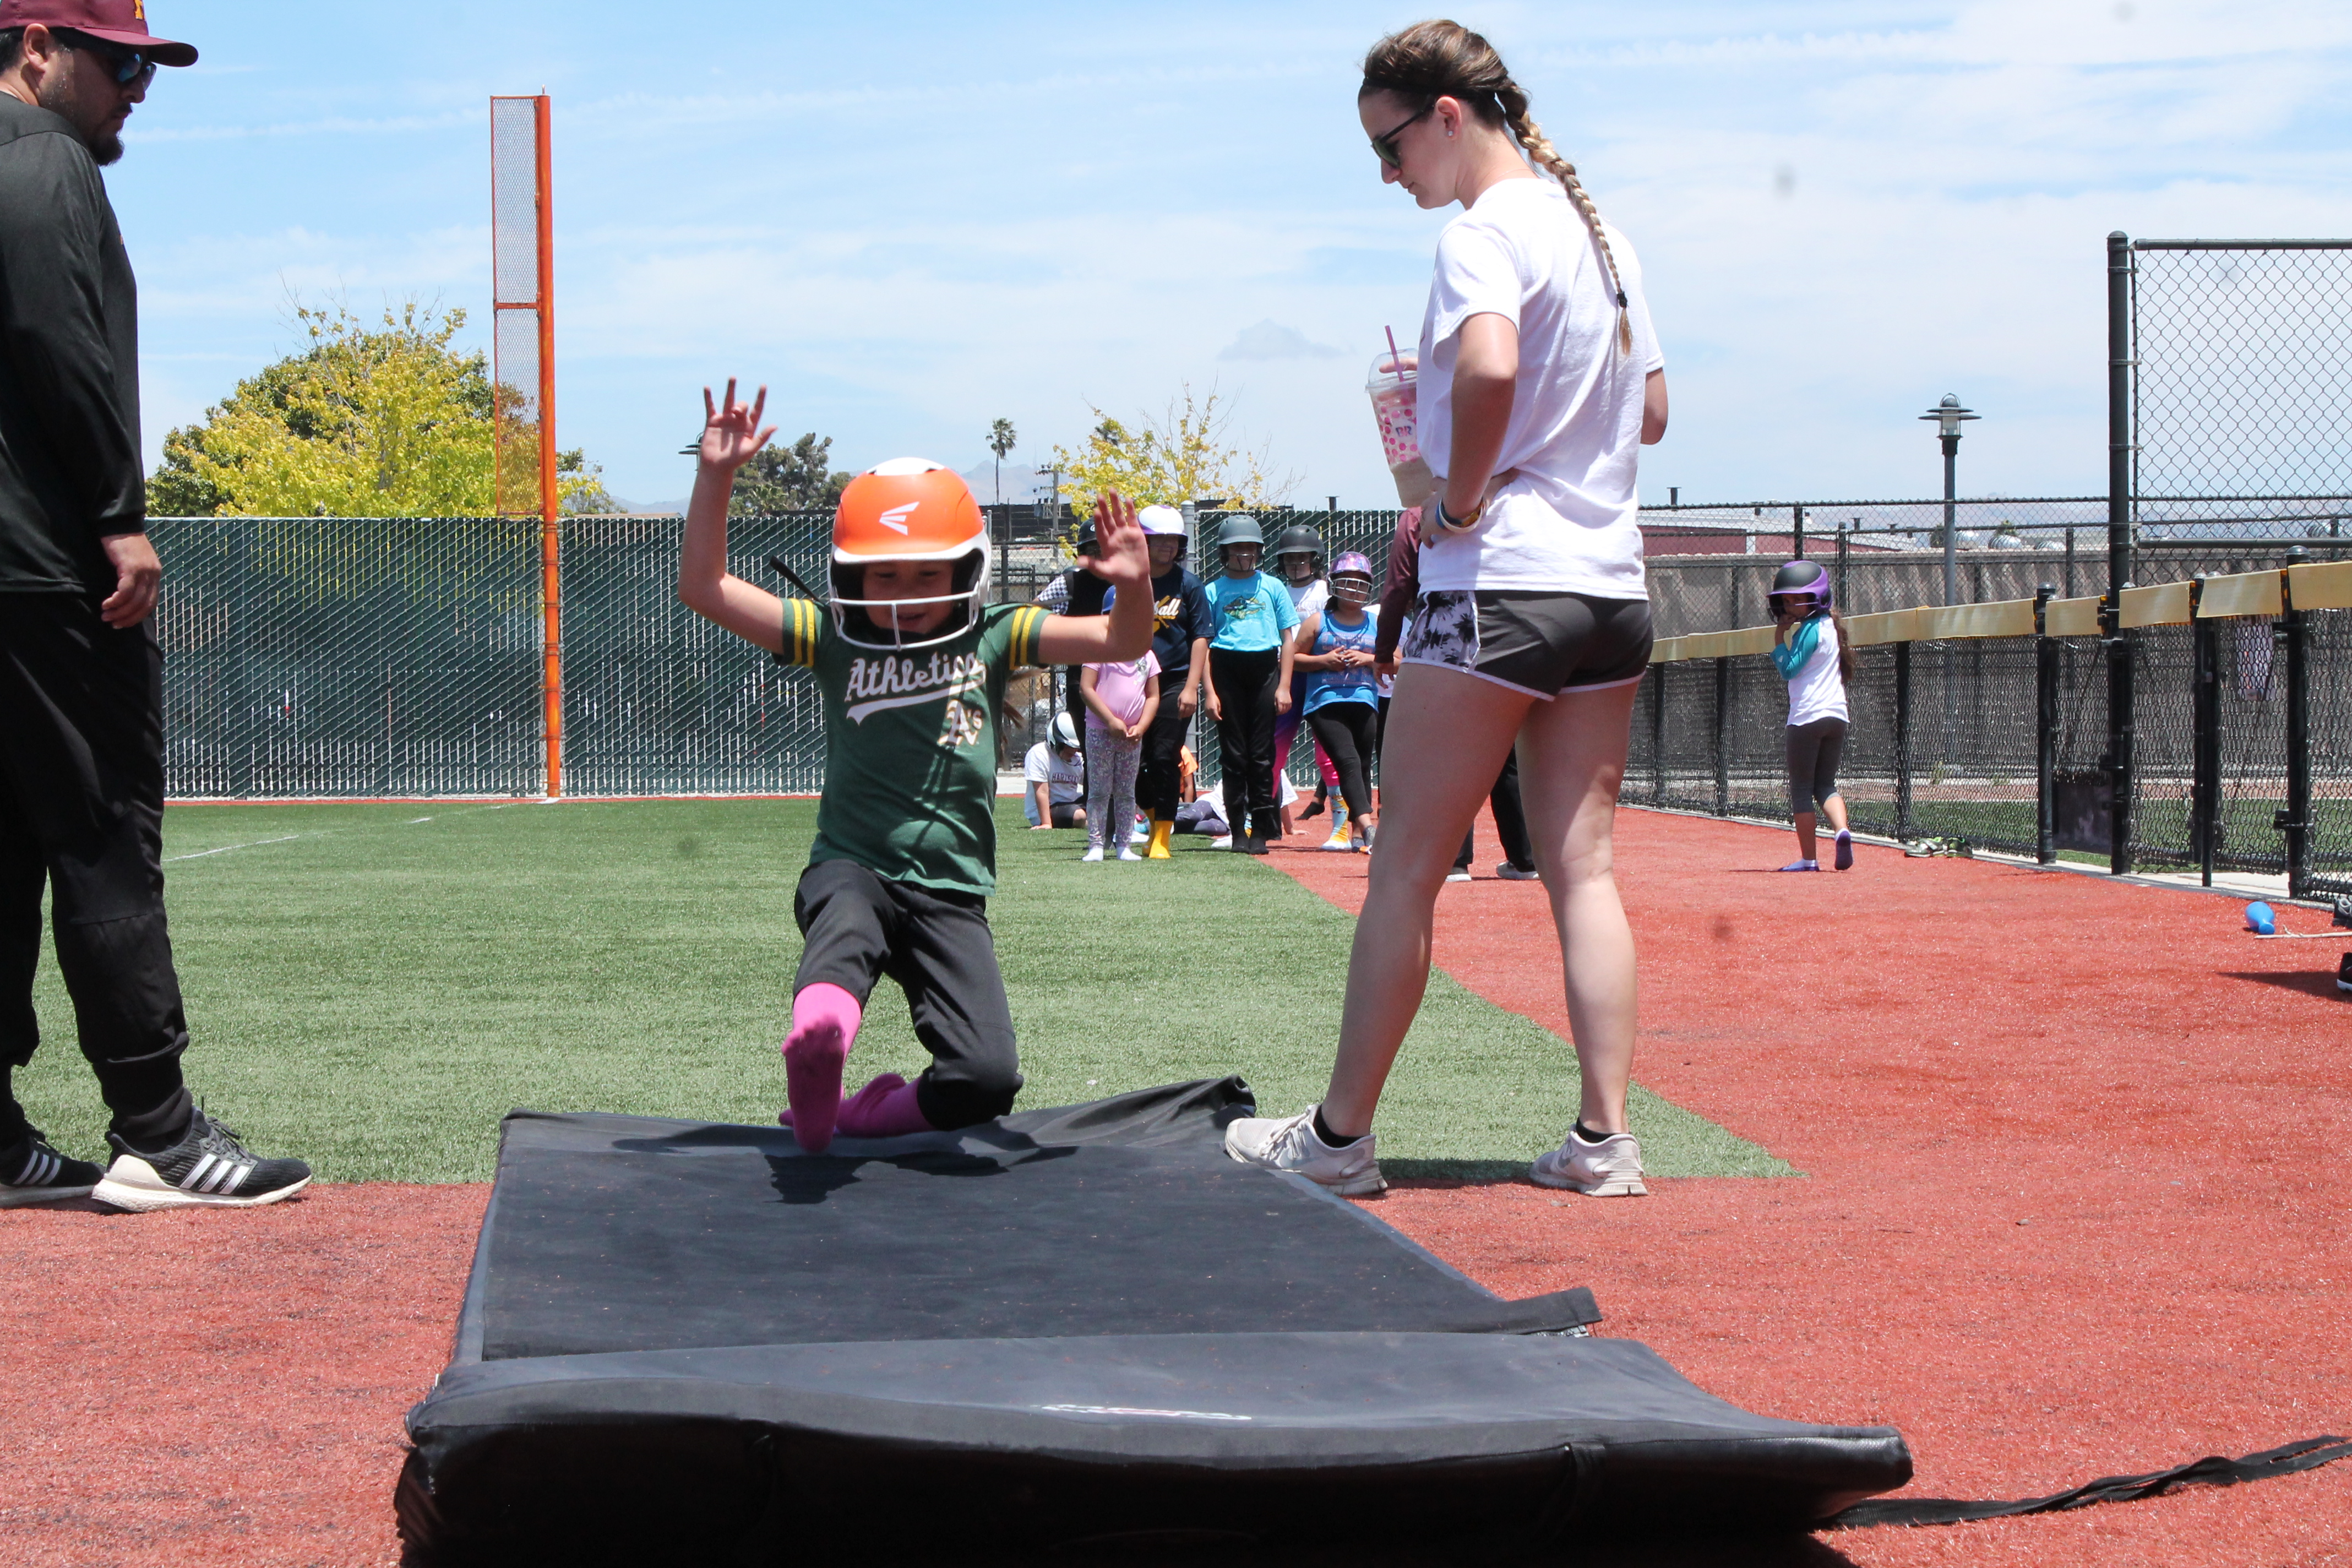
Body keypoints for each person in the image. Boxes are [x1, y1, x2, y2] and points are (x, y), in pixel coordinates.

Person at [1227, 20, 1668, 1198]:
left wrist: (1457, 504)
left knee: (1406, 869)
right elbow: (1655, 411)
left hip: (1503, 583)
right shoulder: (1604, 235)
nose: (1387, 174)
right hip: (1611, 583)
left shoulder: (1484, 233)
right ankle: (1605, 1141)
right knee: (1584, 867)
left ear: (1449, 117)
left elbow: (1484, 369)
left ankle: (1334, 1144)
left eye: (1389, 145)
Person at [0, 6, 313, 1212]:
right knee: (102, 827)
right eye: (119, 60)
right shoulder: (42, 160)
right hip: (42, 566)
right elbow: (60, 340)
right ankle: (160, 1130)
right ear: (36, 47)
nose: (140, 87)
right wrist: (117, 513)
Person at [676, 382, 1152, 1153]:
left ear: (967, 568)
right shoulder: (833, 636)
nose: (907, 595)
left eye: (927, 574)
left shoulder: (997, 635)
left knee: (986, 1079)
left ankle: (859, 1115)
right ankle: (822, 1039)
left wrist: (1135, 584)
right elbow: (705, 588)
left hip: (951, 893)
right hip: (854, 866)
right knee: (844, 935)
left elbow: (1119, 643)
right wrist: (717, 475)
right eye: (886, 576)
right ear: (852, 578)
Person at [1373, 501, 1539, 884]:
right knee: (1506, 752)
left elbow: (1398, 586)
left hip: (1447, 629)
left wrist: (1384, 652)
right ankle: (1525, 857)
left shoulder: (1417, 513)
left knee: (1444, 751)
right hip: (1507, 628)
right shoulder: (1509, 499)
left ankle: (1454, 860)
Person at [1200, 516, 1298, 854]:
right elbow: (1204, 644)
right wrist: (1209, 692)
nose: (1244, 554)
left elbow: (1288, 640)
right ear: (1224, 552)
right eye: (1237, 548)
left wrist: (1284, 686)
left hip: (1264, 671)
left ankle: (1261, 828)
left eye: (1250, 548)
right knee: (1234, 756)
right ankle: (1237, 829)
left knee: (1261, 756)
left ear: (1259, 551)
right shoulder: (1212, 591)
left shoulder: (1273, 587)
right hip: (1226, 670)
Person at [1130, 505, 1213, 859]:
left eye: (1174, 541)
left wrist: (1193, 686)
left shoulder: (1189, 585)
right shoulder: (1130, 580)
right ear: (1143, 541)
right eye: (1159, 539)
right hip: (1132, 680)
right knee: (1134, 759)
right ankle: (1149, 822)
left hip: (1175, 680)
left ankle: (1163, 834)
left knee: (1164, 757)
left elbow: (1201, 637)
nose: (1167, 547)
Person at [1768, 559, 1855, 872]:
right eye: (1787, 600)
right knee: (1826, 784)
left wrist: (1779, 637)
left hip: (1807, 717)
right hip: (1837, 716)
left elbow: (1789, 669)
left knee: (1802, 789)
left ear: (1816, 598)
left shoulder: (1809, 629)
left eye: (1798, 599)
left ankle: (1809, 859)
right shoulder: (1832, 626)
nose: (1790, 605)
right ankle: (1841, 831)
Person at [1293, 551, 1381, 852]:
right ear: (1334, 585)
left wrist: (1368, 658)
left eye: (1360, 583)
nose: (1354, 589)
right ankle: (1370, 828)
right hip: (1325, 702)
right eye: (1347, 582)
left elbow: (1396, 660)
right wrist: (1324, 660)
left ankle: (1358, 835)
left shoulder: (1375, 623)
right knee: (1347, 759)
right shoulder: (1319, 621)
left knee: (1363, 764)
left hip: (1365, 700)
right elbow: (1291, 658)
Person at [1266, 524, 1341, 843]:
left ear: (1316, 560)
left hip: (1324, 676)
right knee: (1273, 749)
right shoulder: (1276, 591)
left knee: (1329, 751)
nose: (1296, 564)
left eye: (1303, 558)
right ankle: (1261, 819)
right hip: (1287, 677)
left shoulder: (1328, 592)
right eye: (1289, 559)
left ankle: (1342, 825)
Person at [1078, 644, 1159, 863]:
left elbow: (1153, 696)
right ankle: (1096, 845)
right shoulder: (1099, 652)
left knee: (1126, 791)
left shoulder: (1147, 656)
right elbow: (1086, 688)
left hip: (1132, 736)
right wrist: (1110, 720)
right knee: (1099, 790)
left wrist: (1142, 726)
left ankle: (1124, 844)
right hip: (1100, 730)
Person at [1035, 519, 1108, 732]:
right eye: (1093, 549)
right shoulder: (1070, 583)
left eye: (1105, 548)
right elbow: (1034, 616)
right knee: (1087, 752)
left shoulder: (1127, 582)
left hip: (1126, 682)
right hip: (1082, 682)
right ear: (1082, 555)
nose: (1100, 554)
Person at [1021, 712, 1086, 831]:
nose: (1073, 751)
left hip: (1071, 804)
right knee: (1080, 816)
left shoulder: (1077, 758)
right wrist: (1046, 824)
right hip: (1048, 808)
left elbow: (1092, 785)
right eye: (1067, 746)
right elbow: (1042, 792)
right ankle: (1092, 823)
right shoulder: (1039, 754)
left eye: (1075, 747)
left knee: (1103, 805)